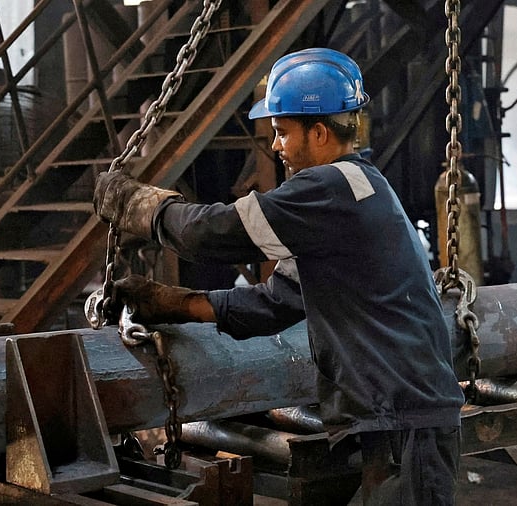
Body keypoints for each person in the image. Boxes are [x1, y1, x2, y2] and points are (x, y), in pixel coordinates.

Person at [94, 48, 464, 505]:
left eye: (282, 132)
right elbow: (275, 303)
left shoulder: (332, 187)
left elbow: (210, 233)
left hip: (406, 423)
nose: (275, 147)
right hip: (393, 420)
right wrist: (172, 303)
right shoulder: (353, 194)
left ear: (320, 131)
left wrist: (138, 205)